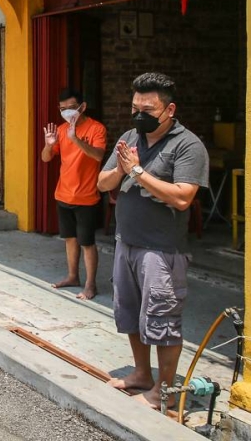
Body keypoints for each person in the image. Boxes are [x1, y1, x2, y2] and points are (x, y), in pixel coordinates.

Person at [97, 72, 208, 412]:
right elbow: (102, 183)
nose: (139, 114)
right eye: (135, 107)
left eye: (148, 108)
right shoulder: (131, 136)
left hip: (161, 250)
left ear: (169, 109)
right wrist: (122, 169)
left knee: (162, 319)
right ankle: (142, 374)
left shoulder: (187, 145)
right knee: (130, 314)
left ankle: (165, 390)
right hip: (127, 242)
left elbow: (183, 197)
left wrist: (138, 173)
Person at [41, 88, 106, 300]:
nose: (67, 112)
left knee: (87, 242)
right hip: (63, 194)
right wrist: (48, 146)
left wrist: (76, 139)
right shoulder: (60, 130)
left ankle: (90, 285)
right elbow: (45, 159)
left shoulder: (96, 129)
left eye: (71, 108)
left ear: (83, 107)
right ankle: (72, 276)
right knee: (69, 238)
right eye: (62, 109)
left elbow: (98, 156)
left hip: (87, 196)